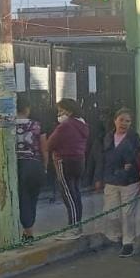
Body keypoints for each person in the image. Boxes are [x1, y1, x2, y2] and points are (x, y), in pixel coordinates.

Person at [94, 108, 140, 257]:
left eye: (127, 121)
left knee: (128, 213)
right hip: (110, 180)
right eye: (121, 119)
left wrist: (136, 172)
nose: (124, 123)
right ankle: (117, 236)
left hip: (130, 181)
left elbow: (139, 159)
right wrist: (98, 178)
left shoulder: (134, 138)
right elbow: (100, 159)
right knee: (111, 213)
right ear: (115, 120)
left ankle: (128, 242)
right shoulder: (107, 137)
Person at [47, 98, 89, 239]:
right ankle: (78, 225)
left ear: (69, 111)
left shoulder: (65, 126)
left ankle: (73, 227)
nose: (59, 114)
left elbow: (50, 144)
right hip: (79, 161)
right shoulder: (82, 125)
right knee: (76, 193)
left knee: (68, 195)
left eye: (61, 110)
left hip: (64, 161)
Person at [14, 101, 48, 239]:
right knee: (31, 198)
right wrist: (45, 166)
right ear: (27, 109)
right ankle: (29, 231)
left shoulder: (6, 126)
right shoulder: (36, 125)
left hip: (15, 165)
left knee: (19, 198)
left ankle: (22, 230)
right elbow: (44, 147)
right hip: (34, 164)